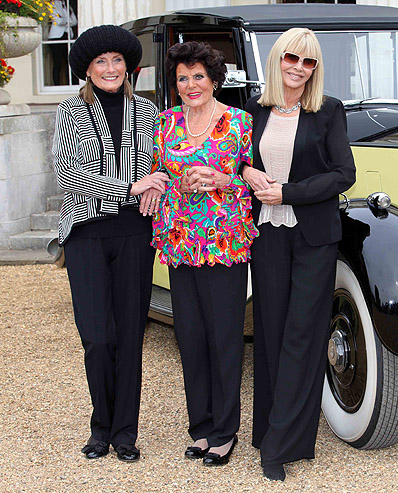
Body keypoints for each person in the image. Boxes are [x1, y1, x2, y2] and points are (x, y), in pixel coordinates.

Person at [241, 27, 356, 481]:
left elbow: (343, 173)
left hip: (313, 237)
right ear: (277, 59)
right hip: (266, 236)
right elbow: (238, 160)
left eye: (309, 63)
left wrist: (287, 192)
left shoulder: (328, 111)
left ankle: (281, 445)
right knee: (269, 333)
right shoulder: (254, 109)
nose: (299, 69)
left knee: (302, 336)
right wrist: (250, 172)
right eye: (292, 58)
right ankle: (272, 430)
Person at [52, 25, 168, 462]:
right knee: (97, 336)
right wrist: (131, 187)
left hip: (136, 234)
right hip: (86, 235)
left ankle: (124, 434)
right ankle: (99, 425)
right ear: (87, 69)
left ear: (128, 66)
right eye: (100, 62)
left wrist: (153, 187)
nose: (110, 68)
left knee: (130, 337)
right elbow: (69, 175)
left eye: (117, 60)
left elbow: (159, 168)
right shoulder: (70, 112)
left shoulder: (148, 110)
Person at [146, 41, 258, 467]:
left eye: (198, 76)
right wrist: (155, 180)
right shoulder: (164, 123)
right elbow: (155, 168)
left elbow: (254, 181)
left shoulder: (239, 122)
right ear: (174, 85)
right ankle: (202, 427)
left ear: (213, 79)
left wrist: (221, 177)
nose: (191, 84)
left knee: (224, 337)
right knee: (189, 338)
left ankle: (225, 431)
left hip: (225, 244)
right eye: (182, 78)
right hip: (179, 242)